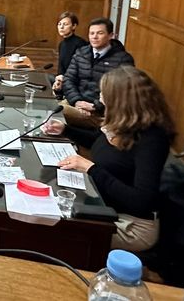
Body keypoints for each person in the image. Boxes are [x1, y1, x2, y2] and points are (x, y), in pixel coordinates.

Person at [44, 66, 175, 252]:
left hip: (131, 225)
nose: (99, 98)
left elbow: (141, 201)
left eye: (104, 94)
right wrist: (66, 130)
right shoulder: (122, 122)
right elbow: (99, 143)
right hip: (106, 204)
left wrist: (91, 169)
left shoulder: (152, 140)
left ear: (120, 101)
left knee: (53, 232)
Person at [62, 17, 134, 128]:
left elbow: (123, 92)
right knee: (49, 107)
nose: (94, 37)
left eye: (100, 33)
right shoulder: (81, 53)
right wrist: (77, 101)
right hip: (76, 103)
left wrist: (96, 106)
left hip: (102, 112)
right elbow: (68, 79)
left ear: (110, 35)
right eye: (91, 33)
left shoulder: (123, 59)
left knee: (58, 112)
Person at [52, 11, 87, 95]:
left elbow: (82, 69)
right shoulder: (62, 44)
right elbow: (61, 67)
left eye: (65, 24)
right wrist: (58, 79)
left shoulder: (80, 44)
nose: (61, 27)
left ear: (74, 26)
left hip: (75, 82)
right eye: (59, 24)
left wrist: (64, 79)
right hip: (64, 79)